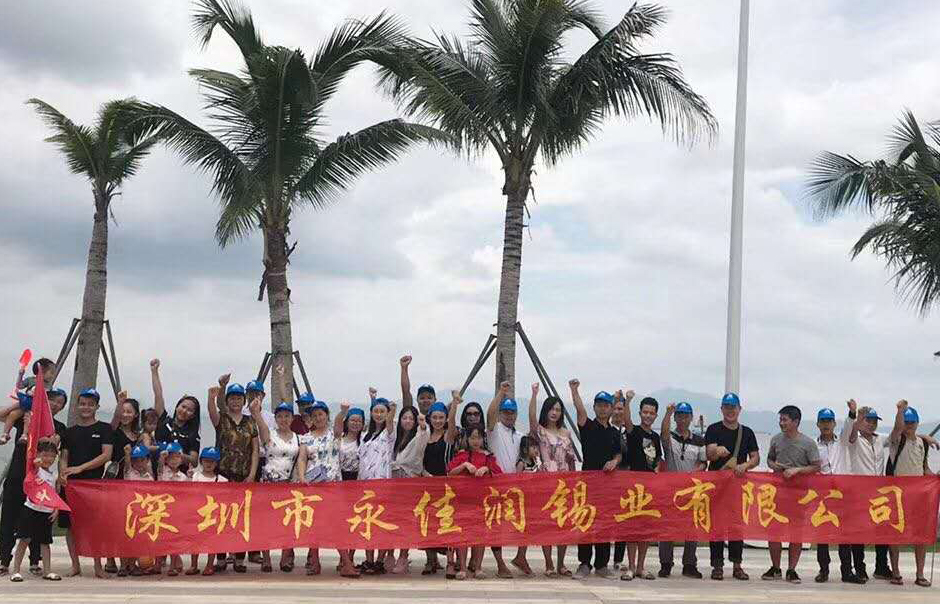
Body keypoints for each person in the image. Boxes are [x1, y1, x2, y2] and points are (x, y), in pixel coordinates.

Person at [0, 386, 66, 577]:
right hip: (17, 476)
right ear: (44, 400)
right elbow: (3, 415)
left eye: (60, 403)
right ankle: (4, 560)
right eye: (52, 399)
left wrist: (32, 428)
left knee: (38, 519)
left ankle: (35, 561)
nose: (56, 404)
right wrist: (24, 403)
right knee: (9, 518)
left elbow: (52, 444)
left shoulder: (59, 427)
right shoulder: (25, 414)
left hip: (39, 482)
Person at [59, 387, 114, 579]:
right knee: (70, 526)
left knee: (94, 525)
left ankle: (98, 566)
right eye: (82, 404)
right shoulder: (69, 432)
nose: (86, 407)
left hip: (93, 485)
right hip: (71, 485)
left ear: (97, 407)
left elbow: (106, 455)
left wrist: (80, 468)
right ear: (77, 406)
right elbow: (64, 456)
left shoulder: (104, 428)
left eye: (90, 404)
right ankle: (75, 565)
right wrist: (63, 472)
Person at [569, 380, 621, 579]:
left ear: (611, 409)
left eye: (606, 405)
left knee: (604, 524)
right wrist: (574, 391)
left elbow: (619, 454)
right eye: (599, 405)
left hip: (607, 485)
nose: (602, 408)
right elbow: (579, 410)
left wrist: (614, 462)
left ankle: (602, 565)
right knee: (586, 522)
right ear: (595, 407)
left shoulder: (614, 432)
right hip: (588, 484)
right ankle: (584, 563)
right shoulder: (588, 426)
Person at [300, 400, 358, 577]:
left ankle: (346, 563)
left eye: (321, 414)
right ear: (311, 418)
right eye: (314, 415)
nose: (318, 418)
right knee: (313, 525)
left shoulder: (334, 434)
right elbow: (302, 458)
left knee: (336, 525)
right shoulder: (306, 438)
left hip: (333, 487)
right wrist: (302, 477)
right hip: (313, 487)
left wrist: (343, 412)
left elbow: (339, 424)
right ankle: (315, 562)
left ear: (327, 416)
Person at [763, 405, 820, 584]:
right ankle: (775, 568)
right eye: (780, 419)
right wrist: (774, 466)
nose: (781, 423)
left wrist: (797, 470)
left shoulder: (808, 443)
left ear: (796, 422)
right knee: (774, 531)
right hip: (778, 492)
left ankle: (792, 569)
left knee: (796, 532)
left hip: (798, 495)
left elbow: (816, 466)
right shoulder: (775, 440)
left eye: (785, 420)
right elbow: (769, 459)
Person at [704, 392, 759, 581]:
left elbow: (756, 457)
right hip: (716, 486)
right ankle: (717, 566)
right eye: (726, 407)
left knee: (737, 526)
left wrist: (746, 465)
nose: (730, 411)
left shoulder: (747, 432)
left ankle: (737, 565)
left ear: (739, 409)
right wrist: (716, 451)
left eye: (733, 407)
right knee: (716, 526)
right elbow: (709, 454)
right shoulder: (713, 429)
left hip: (737, 486)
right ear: (721, 409)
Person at [208, 376, 258, 573]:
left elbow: (255, 450)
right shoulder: (222, 419)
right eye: (232, 398)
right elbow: (212, 410)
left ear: (243, 401)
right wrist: (217, 392)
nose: (235, 401)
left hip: (243, 475)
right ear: (227, 400)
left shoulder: (250, 422)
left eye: (239, 398)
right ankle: (220, 558)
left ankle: (239, 558)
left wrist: (252, 474)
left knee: (241, 517)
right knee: (221, 516)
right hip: (223, 474)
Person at [528, 382, 576, 578]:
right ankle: (548, 563)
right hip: (546, 482)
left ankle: (561, 563)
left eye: (558, 409)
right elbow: (531, 419)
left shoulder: (566, 433)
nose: (554, 412)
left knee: (563, 524)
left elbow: (571, 459)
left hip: (565, 483)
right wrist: (534, 394)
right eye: (551, 409)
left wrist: (574, 481)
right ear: (545, 411)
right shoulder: (540, 431)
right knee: (547, 524)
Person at [256, 400, 306, 574]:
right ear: (275, 418)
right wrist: (256, 411)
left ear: (292, 418)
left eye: (287, 416)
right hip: (268, 484)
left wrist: (302, 478)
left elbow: (301, 459)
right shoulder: (269, 434)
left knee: (289, 522)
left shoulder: (299, 438)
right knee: (266, 523)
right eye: (280, 416)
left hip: (289, 485)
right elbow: (260, 423)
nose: (283, 419)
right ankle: (266, 558)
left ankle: (286, 557)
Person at [658, 402, 706, 579]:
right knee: (667, 527)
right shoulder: (670, 437)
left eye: (686, 416)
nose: (682, 419)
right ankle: (665, 563)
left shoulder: (699, 440)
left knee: (692, 527)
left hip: (692, 490)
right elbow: (663, 433)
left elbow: (703, 462)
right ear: (675, 417)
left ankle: (689, 564)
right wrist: (667, 413)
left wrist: (696, 471)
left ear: (691, 418)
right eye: (679, 416)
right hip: (671, 490)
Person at [447, 425, 502, 580]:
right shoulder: (462, 455)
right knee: (462, 535)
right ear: (467, 439)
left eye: (478, 437)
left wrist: (486, 469)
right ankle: (463, 568)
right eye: (472, 437)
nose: (475, 441)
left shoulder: (488, 457)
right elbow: (449, 472)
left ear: (483, 439)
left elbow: (500, 474)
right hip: (463, 501)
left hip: (482, 502)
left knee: (480, 535)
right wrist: (464, 465)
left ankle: (478, 567)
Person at [812, 407, 859, 584]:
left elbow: (848, 426)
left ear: (834, 424)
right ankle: (823, 570)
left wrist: (852, 413)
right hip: (823, 495)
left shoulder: (842, 442)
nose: (826, 425)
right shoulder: (813, 445)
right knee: (822, 535)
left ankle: (847, 571)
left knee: (844, 535)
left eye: (829, 421)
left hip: (841, 494)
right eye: (823, 421)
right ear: (818, 424)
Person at [887, 400, 931, 587]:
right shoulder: (897, 441)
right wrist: (900, 411)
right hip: (898, 495)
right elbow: (897, 429)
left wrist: (934, 478)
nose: (909, 425)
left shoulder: (923, 443)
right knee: (895, 534)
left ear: (917, 422)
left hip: (918, 496)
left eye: (912, 422)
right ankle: (895, 572)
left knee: (920, 535)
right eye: (906, 422)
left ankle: (920, 574)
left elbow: (924, 468)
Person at [842, 400, 887, 581]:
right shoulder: (854, 439)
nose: (871, 424)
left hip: (878, 493)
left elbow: (898, 433)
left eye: (874, 421)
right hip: (859, 493)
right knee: (858, 531)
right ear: (861, 422)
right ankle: (860, 568)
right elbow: (850, 435)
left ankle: (881, 566)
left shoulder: (880, 439)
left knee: (882, 530)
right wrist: (856, 416)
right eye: (868, 420)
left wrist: (925, 438)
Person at [486, 381, 527, 578]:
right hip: (496, 486)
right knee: (495, 526)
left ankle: (521, 557)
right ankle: (500, 563)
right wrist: (501, 393)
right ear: (500, 414)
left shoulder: (520, 436)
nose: (509, 416)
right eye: (505, 412)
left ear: (516, 414)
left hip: (515, 487)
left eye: (512, 412)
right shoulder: (494, 431)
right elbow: (489, 414)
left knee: (525, 522)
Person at [620, 394, 662, 581]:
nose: (648, 416)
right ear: (640, 413)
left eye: (651, 413)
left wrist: (657, 472)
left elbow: (657, 460)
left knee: (645, 529)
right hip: (633, 487)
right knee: (632, 528)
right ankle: (630, 567)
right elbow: (627, 421)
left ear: (655, 415)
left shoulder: (655, 437)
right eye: (645, 412)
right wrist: (627, 401)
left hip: (650, 488)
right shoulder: (634, 431)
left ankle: (640, 567)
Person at [8, 441, 62, 582]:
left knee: (45, 542)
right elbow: (32, 470)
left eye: (52, 456)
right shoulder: (34, 470)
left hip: (46, 512)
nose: (48, 459)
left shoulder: (54, 475)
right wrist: (36, 464)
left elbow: (55, 494)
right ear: (38, 455)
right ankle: (16, 571)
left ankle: (47, 571)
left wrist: (56, 509)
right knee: (24, 539)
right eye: (45, 455)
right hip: (31, 510)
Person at [357, 398, 397, 575]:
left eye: (383, 411)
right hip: (365, 486)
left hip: (383, 486)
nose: (379, 414)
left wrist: (392, 410)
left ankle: (380, 560)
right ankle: (369, 560)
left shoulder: (388, 434)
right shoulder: (365, 434)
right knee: (368, 523)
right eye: (376, 411)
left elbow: (389, 422)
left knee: (382, 524)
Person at [390, 407, 429, 574]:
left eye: (411, 418)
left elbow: (423, 436)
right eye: (404, 418)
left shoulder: (418, 437)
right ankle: (389, 554)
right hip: (394, 483)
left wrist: (422, 425)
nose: (407, 421)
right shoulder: (396, 438)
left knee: (406, 521)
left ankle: (403, 556)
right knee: (392, 520)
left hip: (409, 483)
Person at [151, 360, 201, 474]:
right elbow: (158, 394)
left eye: (190, 410)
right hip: (157, 473)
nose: (184, 411)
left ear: (193, 415)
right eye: (183, 406)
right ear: (177, 407)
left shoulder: (193, 434)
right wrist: (154, 371)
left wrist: (177, 454)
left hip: (178, 478)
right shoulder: (164, 421)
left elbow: (194, 461)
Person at [189, 447, 226, 576]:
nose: (209, 464)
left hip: (214, 516)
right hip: (197, 515)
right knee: (195, 541)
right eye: (206, 461)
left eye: (212, 461)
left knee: (212, 542)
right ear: (201, 461)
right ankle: (193, 565)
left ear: (217, 463)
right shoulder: (195, 477)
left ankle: (210, 565)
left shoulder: (222, 480)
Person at [156, 441, 188, 576]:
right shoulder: (162, 472)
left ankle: (173, 566)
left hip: (176, 512)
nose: (174, 460)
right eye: (170, 457)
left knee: (174, 539)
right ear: (166, 459)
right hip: (162, 511)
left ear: (181, 459)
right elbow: (158, 468)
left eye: (177, 457)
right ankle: (157, 564)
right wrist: (161, 458)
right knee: (159, 539)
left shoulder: (184, 477)